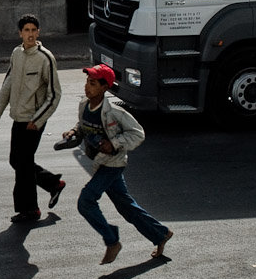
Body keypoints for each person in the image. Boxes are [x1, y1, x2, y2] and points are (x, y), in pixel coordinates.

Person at [59, 64, 173, 265]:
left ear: (104, 87)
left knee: (86, 201)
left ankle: (112, 241)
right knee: (126, 206)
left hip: (113, 164)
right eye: (87, 82)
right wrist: (73, 132)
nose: (87, 86)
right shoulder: (83, 105)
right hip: (99, 162)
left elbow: (138, 134)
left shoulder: (114, 112)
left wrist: (114, 144)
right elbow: (82, 126)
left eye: (93, 83)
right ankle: (160, 234)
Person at [0, 14, 65, 223]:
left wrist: (38, 119)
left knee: (22, 163)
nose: (30, 34)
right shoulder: (16, 54)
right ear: (20, 33)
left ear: (38, 32)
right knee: (17, 160)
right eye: (26, 30)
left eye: (34, 30)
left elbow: (54, 94)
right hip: (19, 117)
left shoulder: (45, 58)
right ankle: (52, 184)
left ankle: (30, 210)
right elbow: (8, 85)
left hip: (34, 121)